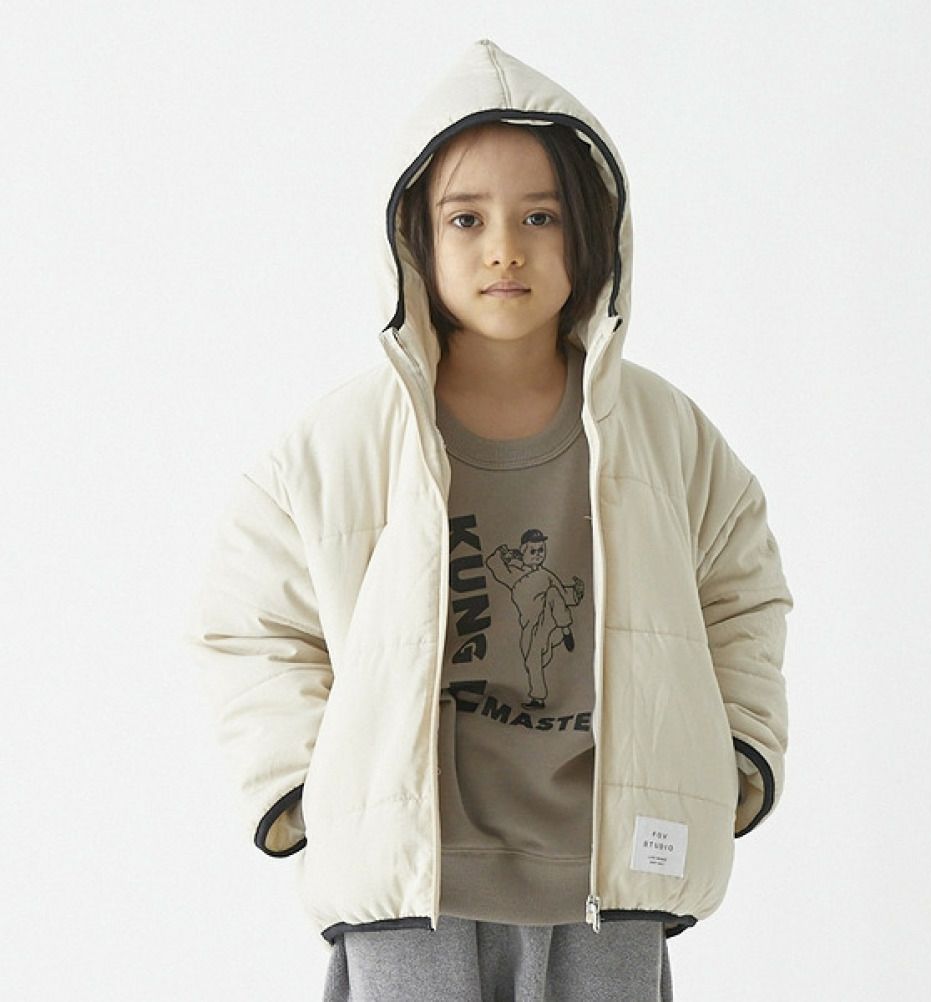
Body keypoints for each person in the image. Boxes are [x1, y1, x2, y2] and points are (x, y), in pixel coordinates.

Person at [184, 38, 794, 1002]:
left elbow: (743, 591)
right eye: (466, 218)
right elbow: (251, 620)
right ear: (414, 243)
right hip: (412, 884)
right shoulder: (342, 440)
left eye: (540, 216)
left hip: (608, 875)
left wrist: (737, 753)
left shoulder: (665, 431)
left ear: (593, 234)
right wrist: (305, 788)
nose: (504, 247)